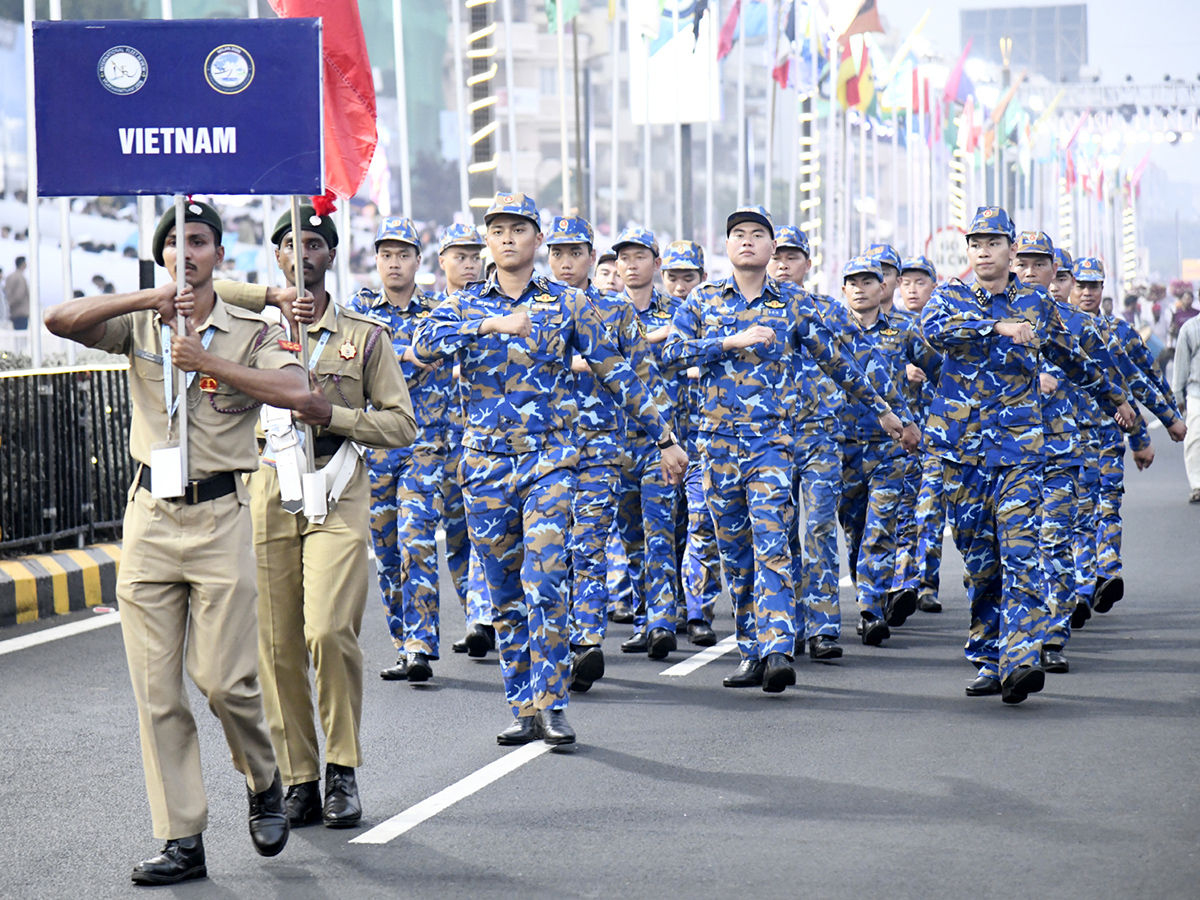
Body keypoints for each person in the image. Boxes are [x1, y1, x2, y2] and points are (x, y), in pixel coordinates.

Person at [43, 201, 317, 884]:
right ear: (163, 255)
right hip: (148, 519)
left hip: (222, 515)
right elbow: (60, 321)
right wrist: (151, 298)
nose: (187, 252)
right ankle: (182, 838)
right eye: (175, 243)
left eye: (198, 241)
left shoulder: (250, 329)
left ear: (218, 254)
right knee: (156, 691)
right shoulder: (141, 320)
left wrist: (211, 363)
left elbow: (301, 391)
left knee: (224, 681)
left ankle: (262, 780)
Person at [412, 192, 687, 747]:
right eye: (498, 230)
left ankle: (555, 701)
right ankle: (524, 705)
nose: (508, 238)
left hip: (549, 463)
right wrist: (492, 326)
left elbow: (615, 370)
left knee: (545, 580)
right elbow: (424, 346)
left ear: (538, 241)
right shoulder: (464, 305)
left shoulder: (567, 304)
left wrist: (663, 435)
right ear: (487, 241)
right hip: (485, 466)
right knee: (506, 590)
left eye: (519, 229)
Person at [664, 206, 914, 693]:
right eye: (738, 234)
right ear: (727, 245)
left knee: (773, 543)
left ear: (772, 247)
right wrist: (729, 341)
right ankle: (751, 649)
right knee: (735, 555)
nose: (748, 242)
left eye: (758, 234)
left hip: (773, 445)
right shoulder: (703, 301)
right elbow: (671, 355)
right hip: (716, 446)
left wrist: (882, 409)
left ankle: (779, 648)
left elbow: (835, 359)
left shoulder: (794, 304)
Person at [243, 205, 415, 830]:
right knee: (277, 642)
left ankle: (342, 768)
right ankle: (300, 779)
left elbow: (401, 423)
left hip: (337, 487)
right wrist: (269, 296)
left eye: (313, 242)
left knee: (327, 629)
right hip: (269, 489)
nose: (302, 251)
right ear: (279, 259)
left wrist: (334, 416)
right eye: (289, 243)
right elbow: (200, 294)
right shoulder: (252, 331)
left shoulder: (364, 336)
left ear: (331, 256)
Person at [921, 207, 1135, 704]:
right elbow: (935, 332)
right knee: (982, 564)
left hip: (1018, 450)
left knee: (1021, 554)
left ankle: (1020, 659)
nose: (983, 251)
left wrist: (1117, 399)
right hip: (961, 455)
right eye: (975, 242)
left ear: (1011, 251)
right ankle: (988, 656)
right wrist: (995, 329)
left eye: (993, 243)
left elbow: (1072, 355)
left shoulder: (1037, 304)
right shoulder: (950, 296)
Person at [545, 215, 667, 690]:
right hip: (545, 449)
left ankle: (586, 643)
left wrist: (666, 439)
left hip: (600, 446)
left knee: (589, 544)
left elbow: (642, 380)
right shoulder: (535, 309)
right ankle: (553, 644)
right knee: (552, 552)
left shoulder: (615, 312)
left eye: (575, 253)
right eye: (557, 253)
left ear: (594, 259)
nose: (565, 262)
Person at [347, 217, 453, 684]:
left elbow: (441, 354)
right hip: (375, 446)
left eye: (403, 254)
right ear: (377, 260)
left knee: (416, 540)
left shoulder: (436, 312)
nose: (394, 263)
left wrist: (406, 351)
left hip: (423, 444)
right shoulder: (360, 311)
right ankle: (402, 638)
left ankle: (420, 645)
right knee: (386, 550)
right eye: (387, 254)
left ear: (417, 260)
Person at [837, 256, 939, 645]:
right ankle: (869, 593)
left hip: (891, 448)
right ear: (843, 289)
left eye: (869, 281)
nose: (861, 288)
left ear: (884, 287)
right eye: (853, 282)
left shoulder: (904, 330)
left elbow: (940, 368)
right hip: (843, 447)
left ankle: (870, 608)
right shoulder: (832, 332)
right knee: (856, 529)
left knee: (881, 529)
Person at [612, 226, 689, 660]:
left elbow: (689, 347)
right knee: (631, 535)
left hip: (663, 440)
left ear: (656, 264)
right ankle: (645, 617)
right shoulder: (601, 311)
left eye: (640, 256)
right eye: (623, 257)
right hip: (615, 440)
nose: (630, 264)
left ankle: (662, 619)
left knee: (661, 530)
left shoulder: (679, 311)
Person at [435, 224, 497, 657]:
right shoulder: (434, 312)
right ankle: (475, 612)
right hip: (435, 441)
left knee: (484, 534)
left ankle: (484, 616)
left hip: (480, 441)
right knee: (456, 538)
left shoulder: (492, 309)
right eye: (460, 256)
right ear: (442, 262)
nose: (470, 263)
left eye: (475, 256)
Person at [661, 239, 720, 646]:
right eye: (674, 277)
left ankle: (697, 611)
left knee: (700, 525)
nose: (680, 286)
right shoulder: (649, 319)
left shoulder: (711, 312)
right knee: (668, 527)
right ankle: (663, 612)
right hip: (662, 442)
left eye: (689, 278)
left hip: (702, 440)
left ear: (701, 278)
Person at [897, 255, 946, 614]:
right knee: (900, 511)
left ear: (934, 285)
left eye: (920, 282)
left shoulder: (943, 326)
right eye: (906, 283)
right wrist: (903, 371)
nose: (913, 289)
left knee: (928, 509)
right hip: (898, 436)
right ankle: (898, 582)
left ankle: (925, 582)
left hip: (937, 434)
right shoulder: (892, 327)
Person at [1173, 312, 1200, 502]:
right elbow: (1181, 363)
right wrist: (1177, 395)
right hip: (1197, 392)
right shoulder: (1190, 328)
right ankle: (1198, 485)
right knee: (1194, 441)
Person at [5, 256, 28, 329]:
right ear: (22, 264)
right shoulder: (20, 277)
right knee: (21, 336)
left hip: (14, 312)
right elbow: (19, 295)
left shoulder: (10, 276)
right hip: (21, 312)